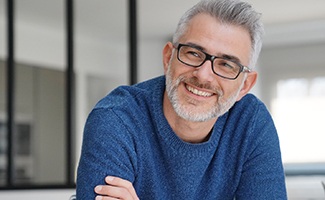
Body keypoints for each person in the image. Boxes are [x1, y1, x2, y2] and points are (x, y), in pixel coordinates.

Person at [76, 0, 287, 199]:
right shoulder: (116, 119)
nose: (203, 75)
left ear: (246, 85)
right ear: (168, 58)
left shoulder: (251, 123)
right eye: (194, 53)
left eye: (226, 65)